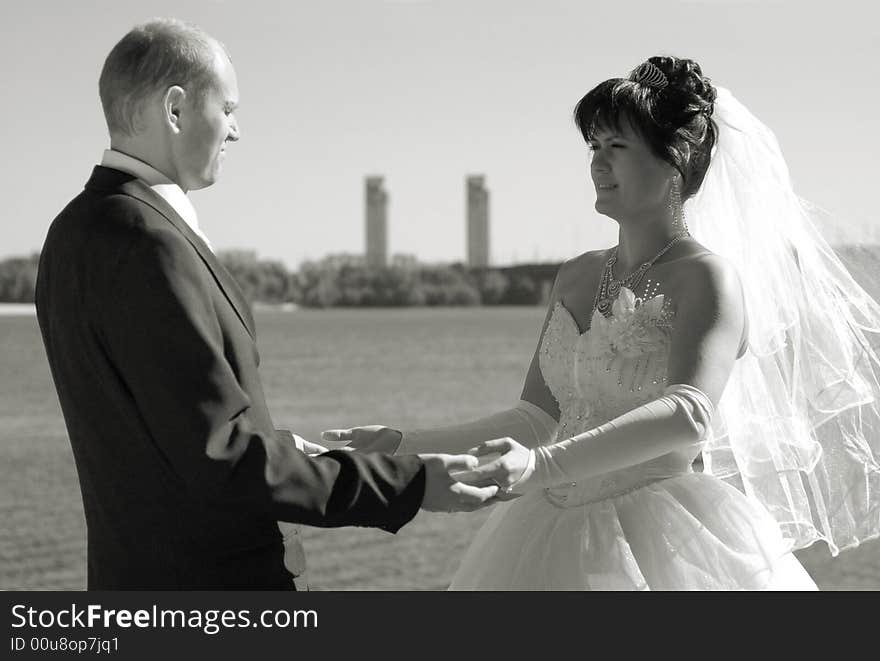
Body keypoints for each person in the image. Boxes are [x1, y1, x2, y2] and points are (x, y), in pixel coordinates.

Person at [329, 56, 880, 589]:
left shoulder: (708, 278)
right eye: (594, 145)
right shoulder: (575, 276)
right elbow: (534, 417)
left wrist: (537, 468)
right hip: (542, 532)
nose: (597, 162)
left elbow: (688, 415)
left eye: (617, 146)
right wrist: (401, 443)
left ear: (676, 160)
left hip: (663, 540)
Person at [34, 18, 499, 590]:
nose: (235, 131)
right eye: (227, 109)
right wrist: (413, 483)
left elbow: (163, 428)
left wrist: (286, 446)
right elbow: (221, 456)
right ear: (175, 110)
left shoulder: (72, 231)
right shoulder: (148, 242)